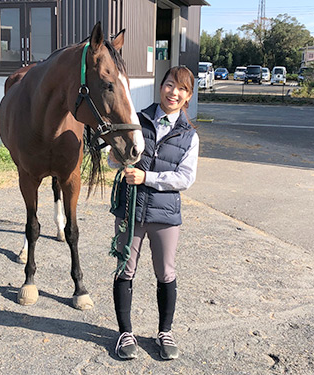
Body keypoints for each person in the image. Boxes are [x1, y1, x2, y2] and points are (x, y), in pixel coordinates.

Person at [108, 66, 199, 360]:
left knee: (166, 273)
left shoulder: (189, 136)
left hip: (165, 215)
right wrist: (113, 156)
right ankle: (125, 333)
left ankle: (165, 331)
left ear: (187, 97)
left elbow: (185, 179)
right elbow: (114, 161)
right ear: (161, 87)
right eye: (170, 85)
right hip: (130, 210)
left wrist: (147, 179)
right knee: (125, 269)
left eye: (182, 89)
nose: (174, 92)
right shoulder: (135, 119)